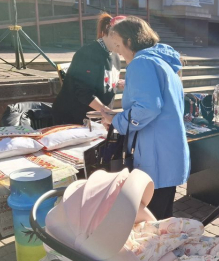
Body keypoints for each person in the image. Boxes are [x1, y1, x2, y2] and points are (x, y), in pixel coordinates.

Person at [102, 16, 190, 220]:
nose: (117, 51)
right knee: (163, 216)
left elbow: (148, 108)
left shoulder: (141, 63)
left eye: (118, 45)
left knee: (152, 221)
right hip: (168, 153)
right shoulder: (162, 62)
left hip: (155, 155)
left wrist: (116, 121)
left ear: (130, 41)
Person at [52, 13, 124, 125]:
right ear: (113, 35)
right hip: (73, 120)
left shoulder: (114, 55)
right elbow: (83, 92)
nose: (125, 49)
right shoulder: (87, 54)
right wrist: (107, 112)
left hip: (98, 118)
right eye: (123, 43)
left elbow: (102, 79)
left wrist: (117, 82)